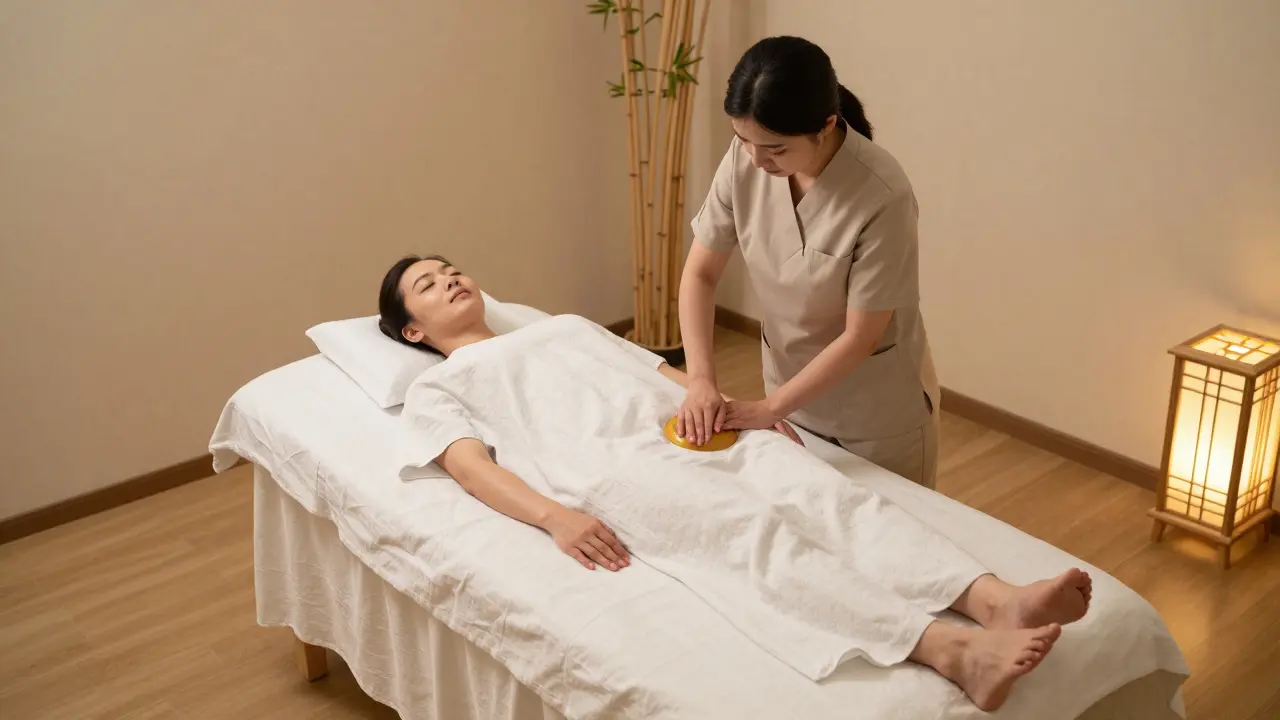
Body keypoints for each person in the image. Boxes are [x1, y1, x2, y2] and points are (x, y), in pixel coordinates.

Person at [380, 255, 1093, 711]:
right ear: (412, 331)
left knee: (831, 497)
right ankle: (948, 648)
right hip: (614, 470)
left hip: (690, 427)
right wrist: (553, 517)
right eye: (427, 284)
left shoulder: (563, 327)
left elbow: (662, 372)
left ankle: (994, 599)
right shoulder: (440, 386)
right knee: (754, 536)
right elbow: (472, 469)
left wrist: (728, 407)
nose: (449, 278)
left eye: (451, 267)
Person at [677, 36, 943, 489]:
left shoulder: (882, 195)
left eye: (775, 149)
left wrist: (768, 408)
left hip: (873, 415)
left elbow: (860, 336)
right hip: (787, 391)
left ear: (825, 126)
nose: (756, 160)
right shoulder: (747, 157)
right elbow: (701, 273)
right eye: (743, 140)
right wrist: (701, 379)